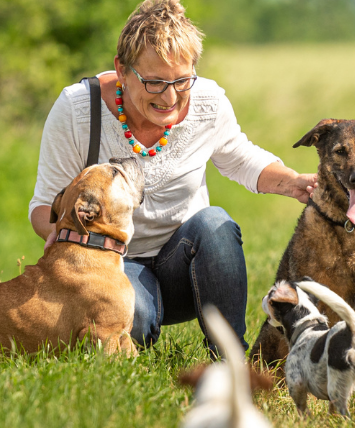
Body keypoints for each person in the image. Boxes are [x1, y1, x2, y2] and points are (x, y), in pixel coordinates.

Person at [28, 0, 316, 354]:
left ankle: (230, 358)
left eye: (182, 81)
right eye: (154, 82)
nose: (169, 97)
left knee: (215, 223)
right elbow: (44, 205)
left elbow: (241, 158)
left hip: (189, 267)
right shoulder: (77, 109)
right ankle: (139, 336)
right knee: (133, 326)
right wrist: (60, 234)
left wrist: (293, 182)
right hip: (113, 267)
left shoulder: (208, 102)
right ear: (122, 69)